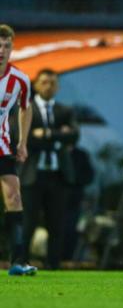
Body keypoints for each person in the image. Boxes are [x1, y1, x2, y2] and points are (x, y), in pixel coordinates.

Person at [19, 69, 79, 269]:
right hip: (32, 176)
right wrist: (57, 137)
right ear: (36, 85)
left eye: (52, 83)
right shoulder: (25, 109)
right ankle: (21, 262)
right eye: (44, 82)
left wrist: (44, 133)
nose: (48, 86)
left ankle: (53, 266)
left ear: (58, 86)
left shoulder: (65, 111)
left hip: (57, 175)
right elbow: (23, 138)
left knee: (57, 225)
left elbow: (74, 136)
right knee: (27, 223)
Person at [0, 24, 37, 275]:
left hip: (2, 148)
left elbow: (26, 107)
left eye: (6, 46)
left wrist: (22, 142)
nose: (2, 50)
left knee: (14, 197)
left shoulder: (20, 80)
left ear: (12, 48)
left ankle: (18, 261)